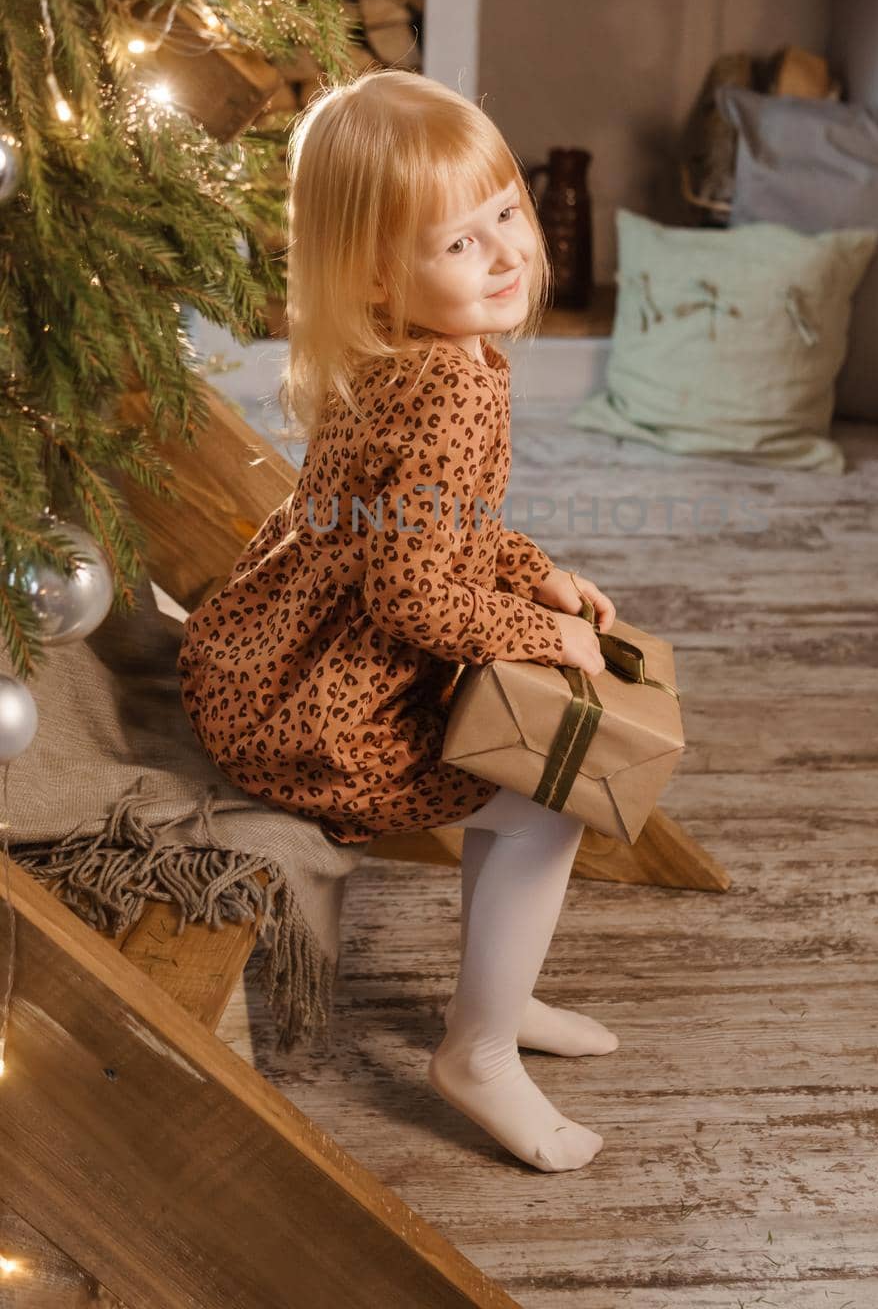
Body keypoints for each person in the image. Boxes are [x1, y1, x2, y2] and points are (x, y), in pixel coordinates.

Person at [177, 66, 619, 1173]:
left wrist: (533, 567)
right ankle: (476, 1045)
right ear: (377, 272)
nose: (508, 252)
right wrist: (536, 631)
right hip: (315, 704)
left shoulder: (400, 350)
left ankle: (497, 1001)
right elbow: (411, 591)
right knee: (539, 802)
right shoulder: (450, 384)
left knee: (523, 786)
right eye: (459, 243)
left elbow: (422, 526)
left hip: (269, 651)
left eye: (506, 212)